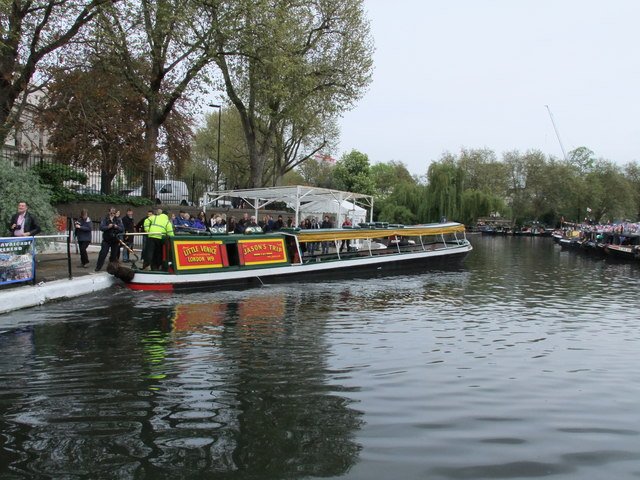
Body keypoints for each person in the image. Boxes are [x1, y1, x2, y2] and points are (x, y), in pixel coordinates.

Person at [95, 207, 124, 272]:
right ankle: (98, 267)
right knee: (103, 253)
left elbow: (122, 229)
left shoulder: (118, 220)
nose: (113, 214)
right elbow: (101, 228)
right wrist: (108, 226)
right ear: (109, 212)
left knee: (114, 256)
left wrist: (117, 227)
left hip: (115, 240)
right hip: (106, 240)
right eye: (111, 213)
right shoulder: (105, 219)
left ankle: (112, 269)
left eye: (114, 213)